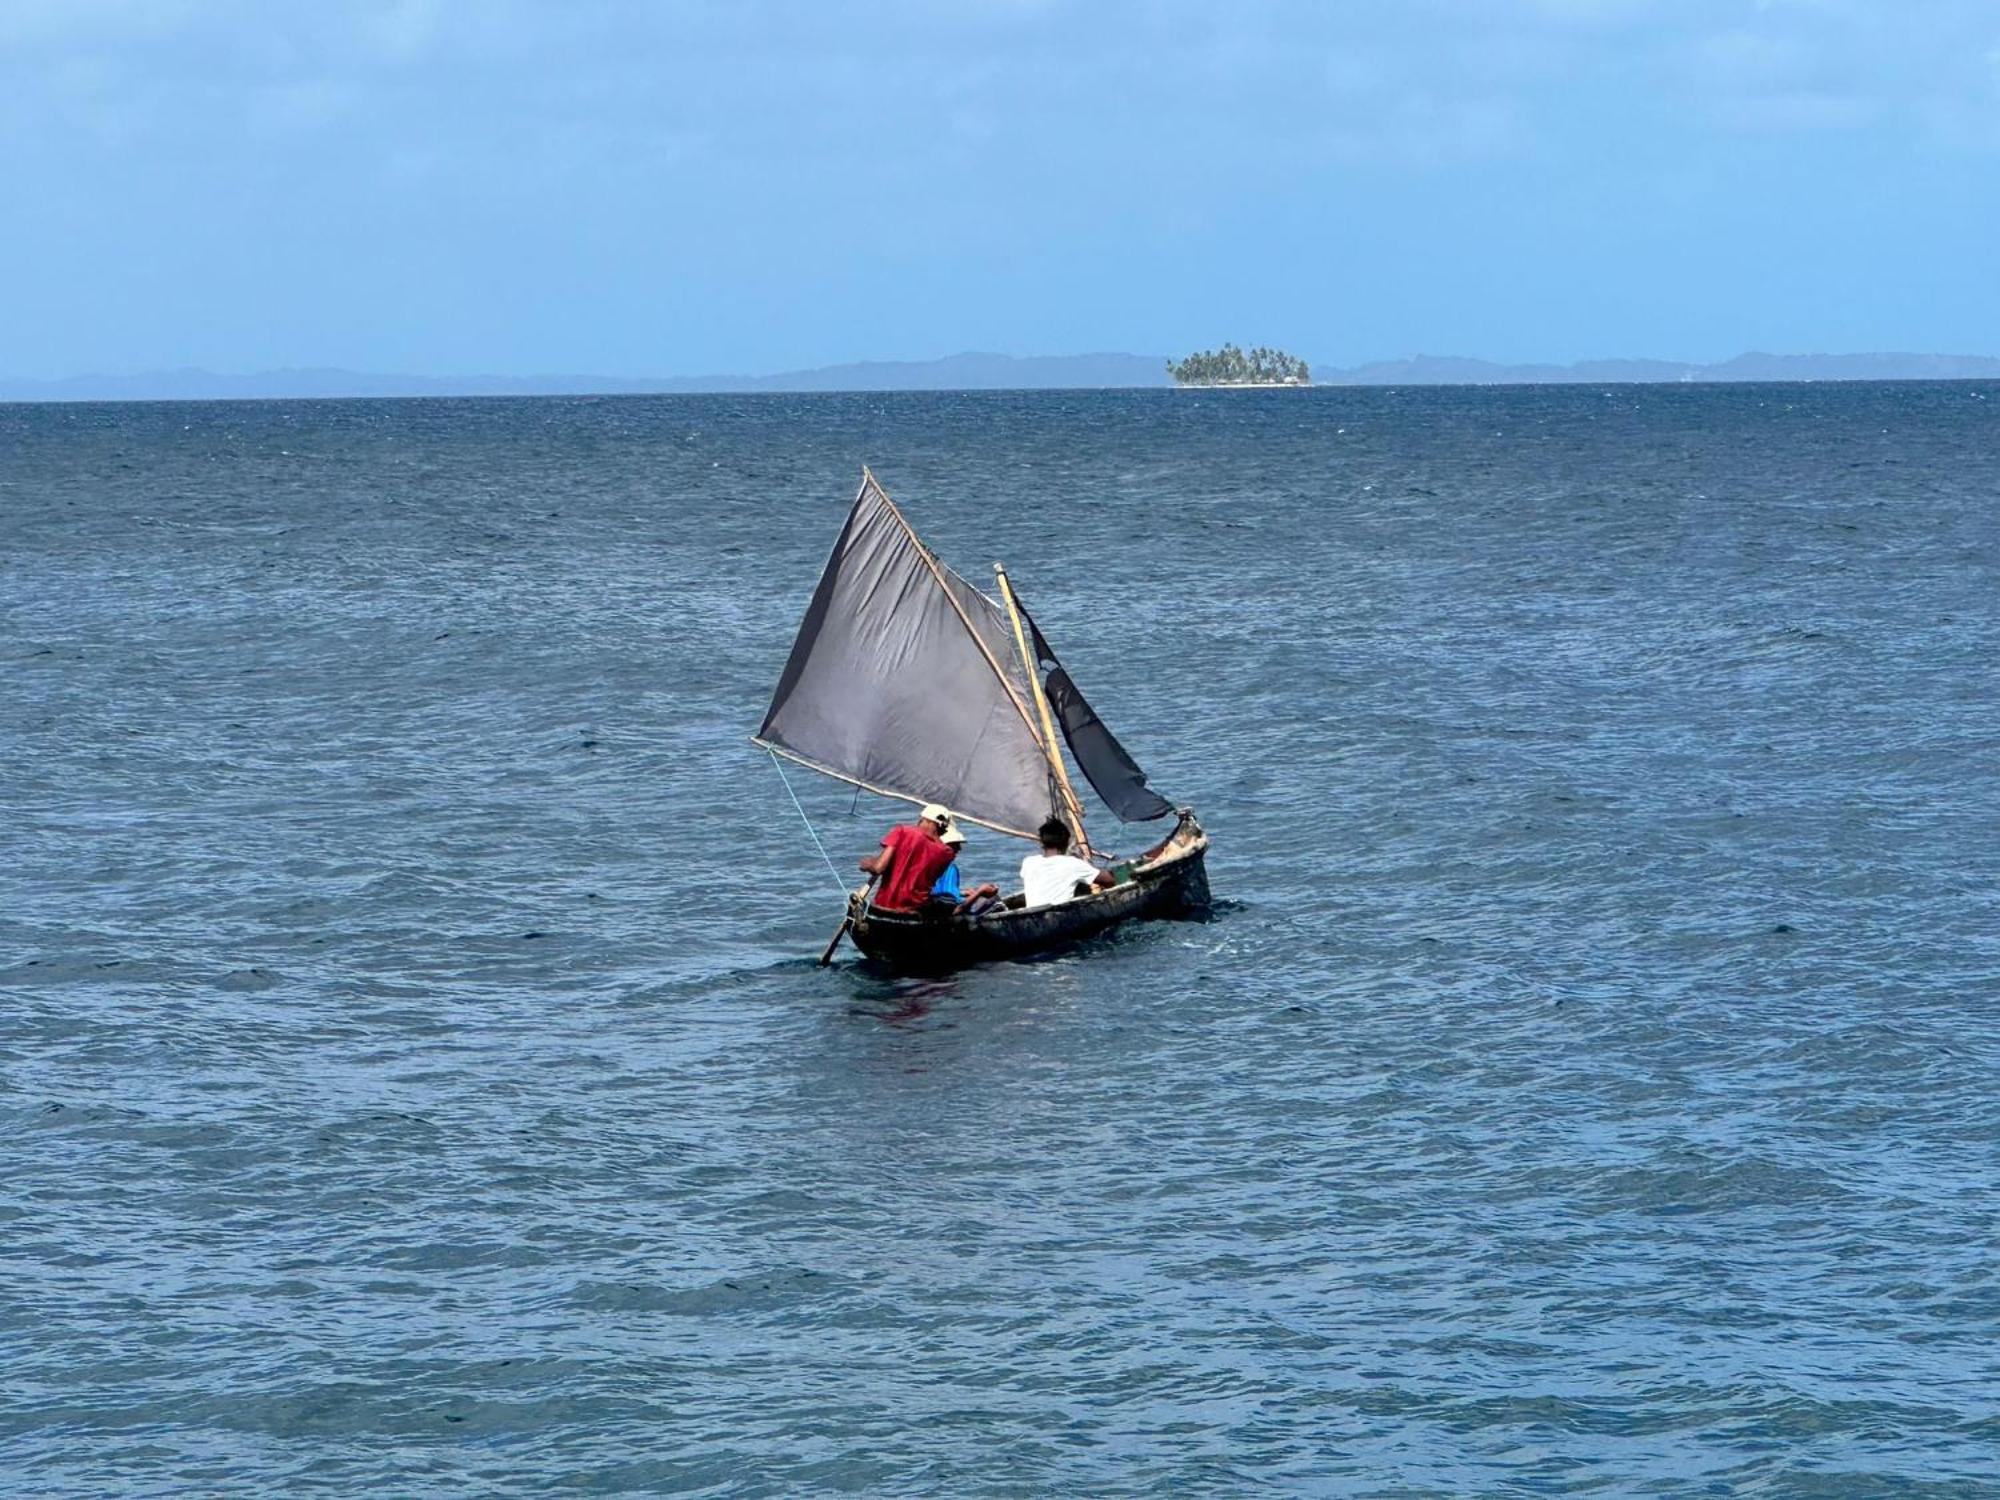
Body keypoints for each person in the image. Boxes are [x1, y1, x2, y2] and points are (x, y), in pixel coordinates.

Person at [858, 803, 958, 912]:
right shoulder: (948, 853)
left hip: (884, 906)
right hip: (915, 909)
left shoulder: (902, 831)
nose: (919, 823)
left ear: (928, 821)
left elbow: (879, 868)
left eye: (921, 820)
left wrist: (867, 864)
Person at [1019, 817, 1114, 908]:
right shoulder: (1072, 864)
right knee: (1082, 885)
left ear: (1041, 842)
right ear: (1067, 842)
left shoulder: (1028, 862)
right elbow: (1109, 880)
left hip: (1034, 912)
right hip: (1060, 916)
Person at [928, 823, 1001, 916]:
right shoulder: (949, 868)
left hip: (933, 910)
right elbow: (956, 910)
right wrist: (980, 891)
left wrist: (960, 893)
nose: (959, 849)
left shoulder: (928, 863)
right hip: (946, 918)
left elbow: (939, 894)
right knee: (993, 898)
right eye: (955, 845)